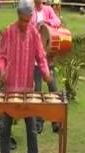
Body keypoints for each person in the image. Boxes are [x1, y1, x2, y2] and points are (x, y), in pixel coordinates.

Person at [0, 0, 51, 153]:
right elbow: (1, 56)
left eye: (29, 20)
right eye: (23, 20)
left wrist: (46, 74)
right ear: (18, 16)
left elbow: (41, 57)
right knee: (5, 127)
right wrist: (2, 70)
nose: (26, 24)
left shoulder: (34, 33)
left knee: (31, 128)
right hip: (10, 88)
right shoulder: (8, 32)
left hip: (27, 88)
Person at [31, 0, 61, 134]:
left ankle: (55, 121)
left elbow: (57, 21)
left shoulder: (48, 10)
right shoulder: (30, 12)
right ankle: (39, 121)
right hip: (35, 60)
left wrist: (46, 22)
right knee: (37, 91)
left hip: (48, 58)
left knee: (53, 88)